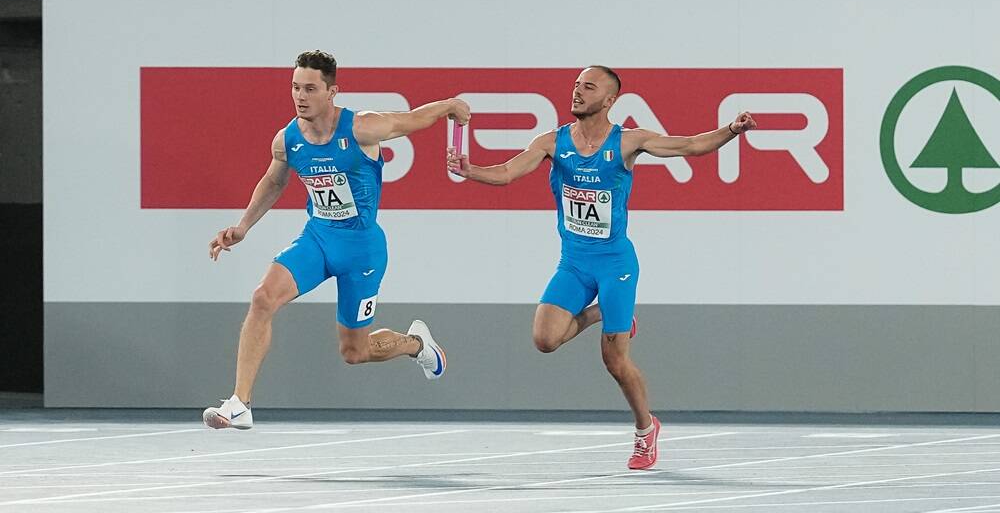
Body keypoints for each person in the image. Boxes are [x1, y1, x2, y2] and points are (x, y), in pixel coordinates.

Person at [447, 65, 756, 469]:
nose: (577, 92)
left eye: (588, 87)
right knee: (544, 339)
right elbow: (507, 172)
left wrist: (731, 130)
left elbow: (691, 146)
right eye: (575, 85)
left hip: (615, 265)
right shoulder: (552, 142)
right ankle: (608, 316)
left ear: (609, 100)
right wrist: (472, 171)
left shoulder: (628, 142)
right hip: (574, 264)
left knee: (614, 361)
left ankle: (646, 430)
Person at [203, 50, 470, 429]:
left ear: (332, 92)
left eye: (310, 88)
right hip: (317, 240)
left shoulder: (362, 127)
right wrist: (243, 226)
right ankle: (240, 403)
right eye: (295, 87)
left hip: (362, 251)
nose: (300, 96)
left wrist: (448, 106)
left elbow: (408, 122)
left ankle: (416, 344)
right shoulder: (287, 139)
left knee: (354, 352)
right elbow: (275, 181)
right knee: (263, 297)